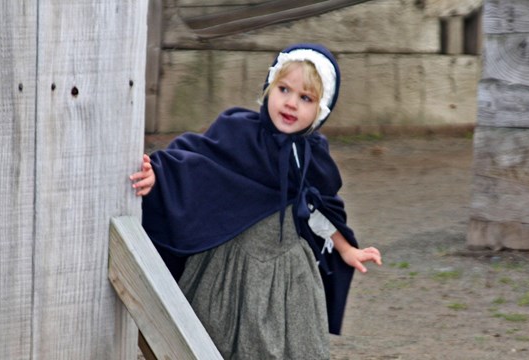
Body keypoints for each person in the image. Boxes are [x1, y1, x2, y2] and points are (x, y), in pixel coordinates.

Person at [130, 43, 381, 359]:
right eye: (284, 89)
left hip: (288, 274)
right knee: (215, 339)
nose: (291, 103)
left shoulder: (313, 158)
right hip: (230, 265)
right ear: (269, 87)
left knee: (290, 346)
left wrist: (346, 248)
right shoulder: (238, 132)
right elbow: (196, 164)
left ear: (321, 111)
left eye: (305, 98)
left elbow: (318, 209)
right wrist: (160, 177)